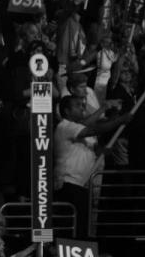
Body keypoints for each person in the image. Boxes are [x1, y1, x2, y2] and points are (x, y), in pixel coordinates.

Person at [54, 96, 131, 237]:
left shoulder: (80, 133)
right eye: (78, 105)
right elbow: (95, 129)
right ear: (67, 111)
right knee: (71, 230)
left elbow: (95, 147)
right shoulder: (65, 126)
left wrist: (114, 117)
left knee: (82, 229)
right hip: (69, 185)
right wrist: (120, 120)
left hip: (81, 186)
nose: (82, 108)